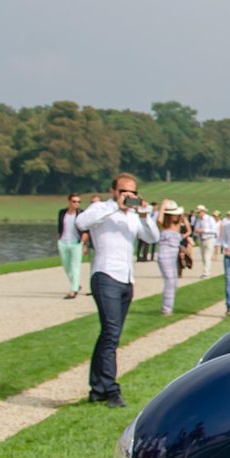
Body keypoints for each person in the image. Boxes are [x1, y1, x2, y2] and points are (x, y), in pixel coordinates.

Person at [75, 172, 158, 408]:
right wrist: (114, 206)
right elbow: (81, 223)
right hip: (105, 275)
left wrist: (144, 214)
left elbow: (152, 237)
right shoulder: (102, 209)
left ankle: (97, 388)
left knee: (110, 335)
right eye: (123, 191)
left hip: (126, 278)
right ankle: (111, 389)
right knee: (111, 333)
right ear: (113, 191)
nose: (127, 196)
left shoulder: (133, 216)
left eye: (132, 192)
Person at [155, 200, 186, 315]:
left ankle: (169, 307)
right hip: (164, 254)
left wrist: (182, 216)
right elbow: (159, 220)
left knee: (174, 281)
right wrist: (162, 206)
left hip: (173, 254)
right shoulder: (163, 226)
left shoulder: (176, 225)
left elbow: (187, 228)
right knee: (169, 280)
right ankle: (166, 309)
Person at [56, 192, 87, 298]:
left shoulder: (81, 213)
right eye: (74, 201)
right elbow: (59, 227)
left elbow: (85, 230)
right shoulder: (62, 212)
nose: (76, 204)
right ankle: (76, 284)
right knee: (66, 266)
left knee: (75, 266)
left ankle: (73, 290)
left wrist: (83, 243)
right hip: (63, 242)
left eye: (78, 202)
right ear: (69, 201)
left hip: (76, 243)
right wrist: (58, 240)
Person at [191, 205, 219, 277]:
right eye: (197, 212)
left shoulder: (210, 219)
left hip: (209, 239)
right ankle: (206, 271)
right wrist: (196, 232)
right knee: (203, 257)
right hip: (201, 239)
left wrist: (204, 230)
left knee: (207, 256)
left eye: (199, 212)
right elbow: (196, 229)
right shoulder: (198, 220)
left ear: (203, 212)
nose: (198, 214)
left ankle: (206, 273)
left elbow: (214, 230)